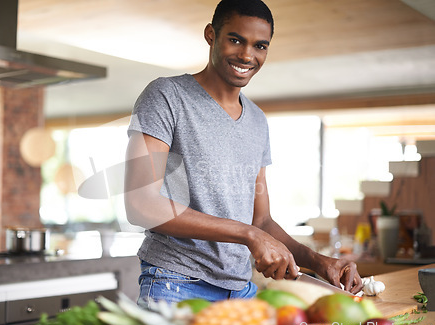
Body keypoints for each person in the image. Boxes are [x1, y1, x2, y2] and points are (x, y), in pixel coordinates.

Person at [124, 0, 362, 309]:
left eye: (260, 46)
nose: (247, 55)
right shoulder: (167, 96)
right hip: (176, 283)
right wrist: (247, 234)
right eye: (235, 39)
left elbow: (260, 220)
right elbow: (141, 204)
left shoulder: (257, 121)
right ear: (211, 35)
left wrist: (316, 260)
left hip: (240, 291)